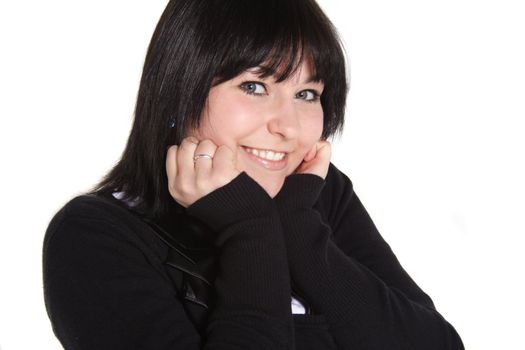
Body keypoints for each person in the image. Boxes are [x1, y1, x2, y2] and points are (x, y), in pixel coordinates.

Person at [42, 0, 464, 349]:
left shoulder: (313, 193)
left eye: (306, 94)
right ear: (180, 90)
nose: (288, 127)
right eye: (254, 87)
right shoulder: (94, 237)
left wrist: (298, 229)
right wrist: (250, 229)